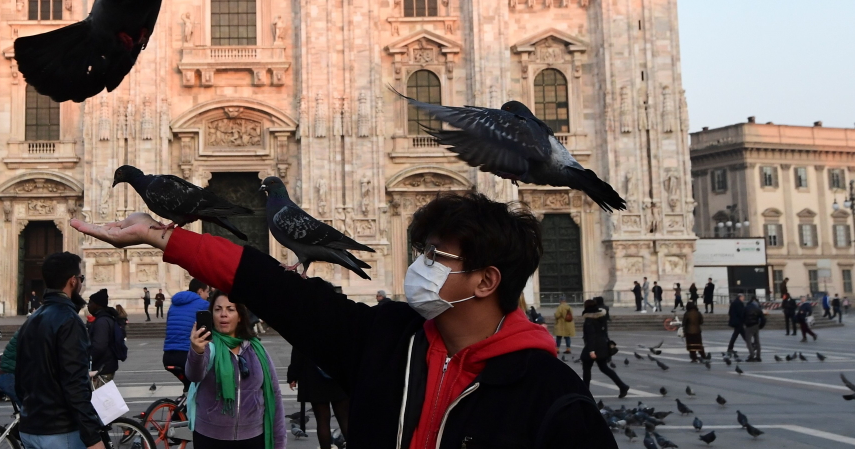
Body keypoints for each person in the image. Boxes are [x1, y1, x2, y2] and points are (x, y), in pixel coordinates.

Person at [73, 189, 617, 448]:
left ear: (487, 281)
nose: (420, 267)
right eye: (421, 251)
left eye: (437, 257)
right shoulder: (386, 343)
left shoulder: (554, 400)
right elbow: (279, 290)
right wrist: (160, 236)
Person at [14, 252, 105, 449]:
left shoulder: (31, 320)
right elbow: (75, 386)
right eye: (81, 278)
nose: (81, 283)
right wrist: (93, 438)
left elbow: (20, 376)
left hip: (30, 428)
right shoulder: (69, 321)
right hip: (60, 431)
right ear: (72, 281)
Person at [187, 289, 285, 449]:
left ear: (240, 316)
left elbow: (275, 395)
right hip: (210, 437)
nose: (223, 314)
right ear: (212, 315)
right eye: (218, 309)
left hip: (253, 437)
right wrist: (196, 350)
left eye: (230, 309)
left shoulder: (257, 350)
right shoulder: (207, 348)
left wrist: (279, 442)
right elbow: (193, 374)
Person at [288, 299, 349, 449]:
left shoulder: (305, 322)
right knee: (345, 419)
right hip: (337, 376)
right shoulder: (339, 320)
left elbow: (298, 351)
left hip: (314, 376)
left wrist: (293, 375)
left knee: (322, 420)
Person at [580, 299, 629, 398]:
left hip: (594, 347)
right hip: (602, 346)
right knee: (604, 368)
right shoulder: (601, 317)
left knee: (586, 368)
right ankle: (622, 386)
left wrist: (591, 351)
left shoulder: (589, 320)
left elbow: (591, 336)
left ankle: (585, 392)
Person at [87, 288, 123, 387]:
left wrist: (88, 361)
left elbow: (99, 346)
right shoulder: (106, 319)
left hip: (101, 368)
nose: (88, 306)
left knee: (98, 399)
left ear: (97, 305)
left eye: (90, 303)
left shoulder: (102, 321)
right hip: (106, 366)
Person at [743, 296, 765, 361]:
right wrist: (760, 326)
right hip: (756, 325)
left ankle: (752, 355)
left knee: (748, 341)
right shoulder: (758, 308)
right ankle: (758, 356)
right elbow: (763, 319)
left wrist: (745, 323)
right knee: (757, 341)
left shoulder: (747, 307)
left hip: (749, 326)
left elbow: (743, 316)